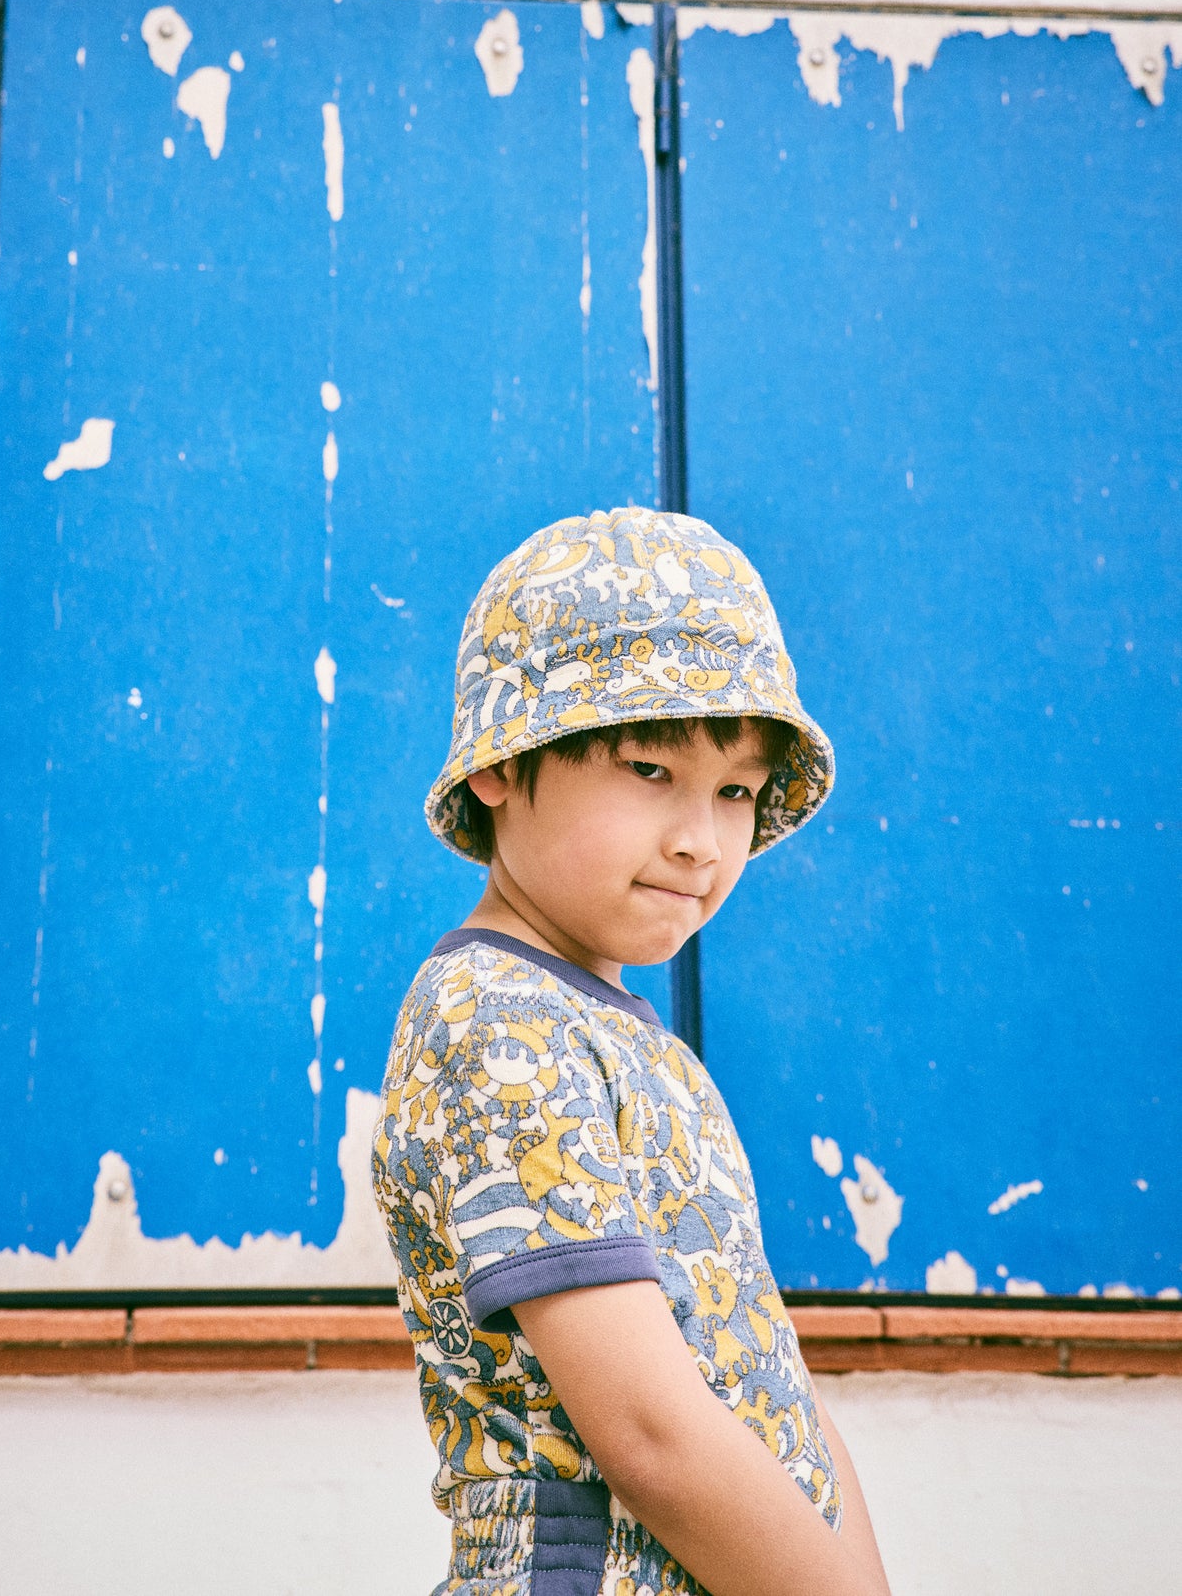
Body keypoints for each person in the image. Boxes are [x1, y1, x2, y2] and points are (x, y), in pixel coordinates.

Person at [373, 506, 891, 1596]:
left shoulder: (630, 1042)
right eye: (650, 770)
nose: (699, 840)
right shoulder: (493, 1023)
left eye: (736, 792)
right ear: (499, 768)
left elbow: (770, 1387)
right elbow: (650, 1433)